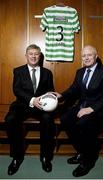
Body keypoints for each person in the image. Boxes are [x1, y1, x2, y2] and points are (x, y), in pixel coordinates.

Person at [54, 45, 103, 177]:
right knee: (65, 119)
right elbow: (73, 89)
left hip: (98, 109)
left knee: (83, 124)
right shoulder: (80, 72)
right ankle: (81, 151)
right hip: (82, 105)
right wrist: (61, 95)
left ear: (96, 56)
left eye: (89, 55)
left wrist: (90, 109)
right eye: (84, 56)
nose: (86, 58)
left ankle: (88, 160)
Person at [5, 44, 56, 175]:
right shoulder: (18, 71)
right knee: (10, 119)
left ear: (40, 56)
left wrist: (49, 99)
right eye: (31, 54)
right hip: (22, 105)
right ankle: (17, 157)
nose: (33, 56)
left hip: (42, 106)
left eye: (36, 54)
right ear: (26, 56)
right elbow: (16, 90)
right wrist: (33, 100)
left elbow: (51, 91)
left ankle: (45, 157)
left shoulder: (47, 73)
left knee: (48, 119)